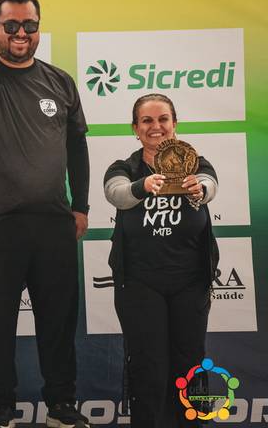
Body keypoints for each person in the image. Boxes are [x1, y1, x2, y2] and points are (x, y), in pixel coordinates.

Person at [0, 0, 91, 428]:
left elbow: (77, 147)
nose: (21, 33)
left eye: (29, 25)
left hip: (54, 223)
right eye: (11, 25)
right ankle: (1, 408)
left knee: (59, 321)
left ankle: (62, 405)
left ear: (39, 28)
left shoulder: (60, 81)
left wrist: (81, 206)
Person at [103, 93, 218, 427]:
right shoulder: (124, 168)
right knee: (148, 365)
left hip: (191, 281)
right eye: (147, 120)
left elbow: (210, 185)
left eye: (163, 118)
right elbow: (117, 194)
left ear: (174, 123)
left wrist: (199, 189)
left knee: (192, 362)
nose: (156, 126)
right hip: (140, 283)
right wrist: (143, 186)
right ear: (135, 128)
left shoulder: (197, 164)